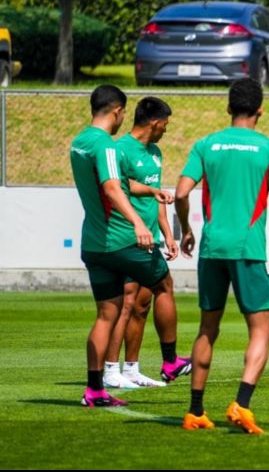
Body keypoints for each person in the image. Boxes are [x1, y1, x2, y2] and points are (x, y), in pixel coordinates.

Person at [175, 78, 269, 433]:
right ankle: (241, 404)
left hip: (212, 248)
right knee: (261, 329)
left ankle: (196, 411)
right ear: (260, 109)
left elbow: (181, 192)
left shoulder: (206, 145)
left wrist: (186, 229)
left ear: (228, 107)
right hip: (248, 249)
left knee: (207, 327)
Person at [70, 85, 189, 407]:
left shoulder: (79, 143)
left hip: (93, 243)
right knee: (163, 284)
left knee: (106, 314)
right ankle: (170, 361)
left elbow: (119, 183)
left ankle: (95, 389)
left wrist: (151, 193)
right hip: (120, 239)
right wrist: (138, 223)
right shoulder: (107, 146)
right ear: (119, 111)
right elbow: (111, 187)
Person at [102, 97, 180, 389]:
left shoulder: (156, 152)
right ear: (155, 123)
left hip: (150, 238)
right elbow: (116, 190)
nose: (166, 131)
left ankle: (132, 368)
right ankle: (111, 369)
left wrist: (168, 234)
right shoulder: (119, 150)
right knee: (125, 302)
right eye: (166, 125)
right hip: (127, 237)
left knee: (143, 304)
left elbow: (154, 195)